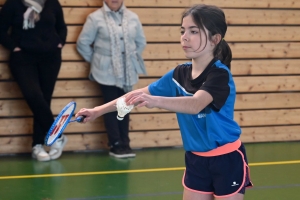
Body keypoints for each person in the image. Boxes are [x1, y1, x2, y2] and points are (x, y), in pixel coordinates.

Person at [75, 4, 253, 199]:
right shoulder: (179, 73)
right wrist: (97, 111)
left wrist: (155, 100)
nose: (185, 37)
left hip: (226, 158)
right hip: (196, 159)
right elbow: (134, 96)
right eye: (183, 30)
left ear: (215, 39)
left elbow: (195, 104)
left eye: (194, 31)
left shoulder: (219, 75)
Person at [76, 0, 147, 158]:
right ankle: (115, 144)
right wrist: (99, 62)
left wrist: (130, 58)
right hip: (105, 72)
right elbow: (83, 43)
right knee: (110, 105)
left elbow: (141, 42)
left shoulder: (133, 17)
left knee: (126, 104)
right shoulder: (94, 18)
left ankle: (125, 143)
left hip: (127, 70)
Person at [0, 0, 68, 161]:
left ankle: (37, 145)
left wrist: (60, 42)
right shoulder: (13, 4)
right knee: (34, 96)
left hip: (50, 59)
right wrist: (14, 46)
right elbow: (1, 31)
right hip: (23, 59)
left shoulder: (52, 3)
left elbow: (61, 27)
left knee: (44, 101)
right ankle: (57, 136)